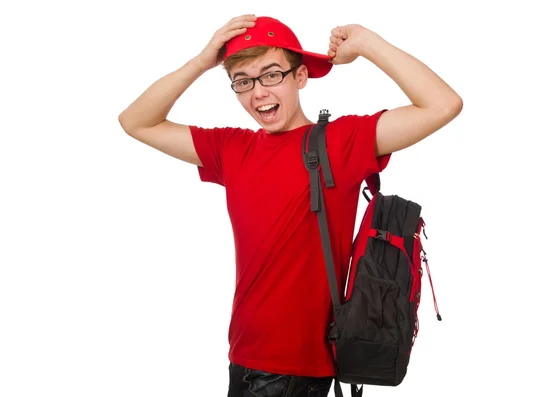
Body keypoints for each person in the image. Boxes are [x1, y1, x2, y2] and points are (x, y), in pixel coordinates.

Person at [118, 14, 462, 397]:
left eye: (271, 74)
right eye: (244, 81)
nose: (259, 92)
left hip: (297, 371)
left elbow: (442, 104)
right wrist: (201, 62)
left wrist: (366, 42)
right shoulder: (232, 149)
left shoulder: (339, 143)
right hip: (245, 359)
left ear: (300, 77)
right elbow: (136, 121)